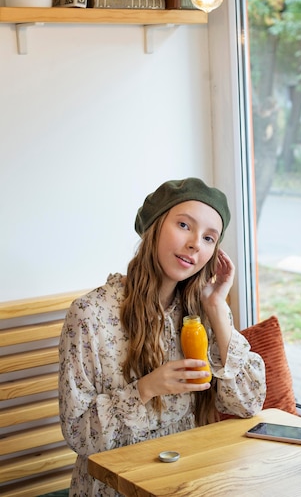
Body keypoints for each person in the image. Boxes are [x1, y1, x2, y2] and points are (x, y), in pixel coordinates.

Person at [59, 177, 266, 497]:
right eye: (184, 225)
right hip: (115, 486)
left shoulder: (201, 311)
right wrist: (146, 388)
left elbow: (248, 404)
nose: (196, 243)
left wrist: (216, 306)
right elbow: (79, 435)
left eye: (210, 238)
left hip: (188, 480)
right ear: (154, 227)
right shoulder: (90, 316)